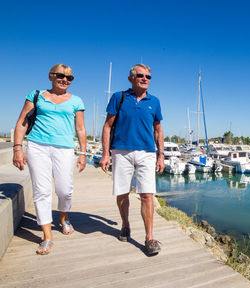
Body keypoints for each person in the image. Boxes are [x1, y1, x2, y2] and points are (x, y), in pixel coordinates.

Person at [13, 63, 87, 255]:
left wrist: (83, 153)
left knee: (65, 190)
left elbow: (80, 129)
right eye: (61, 76)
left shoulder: (76, 101)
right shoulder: (36, 96)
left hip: (64, 148)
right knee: (42, 190)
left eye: (69, 77)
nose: (65, 80)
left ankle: (63, 217)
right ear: (51, 76)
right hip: (37, 146)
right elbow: (22, 122)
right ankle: (47, 236)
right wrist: (18, 148)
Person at [100, 64, 164, 256]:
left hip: (147, 153)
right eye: (140, 75)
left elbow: (158, 130)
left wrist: (161, 155)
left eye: (148, 77)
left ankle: (149, 237)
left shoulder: (155, 101)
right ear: (131, 78)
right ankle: (126, 225)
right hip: (121, 151)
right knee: (122, 193)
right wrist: (105, 154)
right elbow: (107, 127)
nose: (145, 79)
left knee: (147, 194)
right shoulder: (119, 98)